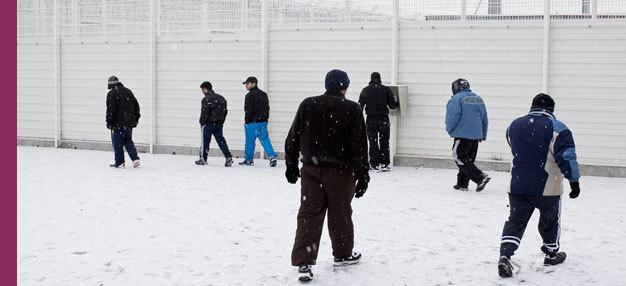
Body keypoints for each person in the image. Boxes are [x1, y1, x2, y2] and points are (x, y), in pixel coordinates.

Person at [284, 69, 369, 282]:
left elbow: (293, 135)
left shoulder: (308, 104)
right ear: (345, 86)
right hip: (340, 172)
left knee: (309, 214)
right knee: (340, 213)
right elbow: (359, 145)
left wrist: (291, 163)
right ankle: (342, 255)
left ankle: (304, 262)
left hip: (311, 170)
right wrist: (363, 174)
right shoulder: (352, 109)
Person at [498, 93, 581, 278]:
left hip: (517, 185)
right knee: (549, 221)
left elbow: (514, 148)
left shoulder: (514, 125)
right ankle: (551, 254)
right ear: (551, 109)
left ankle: (505, 254)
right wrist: (573, 181)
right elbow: (567, 156)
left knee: (515, 221)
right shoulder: (558, 128)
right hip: (547, 186)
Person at [445, 78, 490, 192]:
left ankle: (480, 177)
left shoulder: (456, 99)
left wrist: (449, 129)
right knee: (468, 160)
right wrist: (482, 134)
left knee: (459, 157)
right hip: (476, 136)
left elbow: (452, 117)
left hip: (462, 134)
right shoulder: (478, 98)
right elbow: (484, 118)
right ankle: (462, 183)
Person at [358, 72, 398, 171]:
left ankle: (374, 164)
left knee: (373, 141)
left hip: (371, 119)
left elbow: (360, 107)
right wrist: (397, 103)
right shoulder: (386, 90)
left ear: (371, 78)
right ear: (380, 78)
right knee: (384, 140)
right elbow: (392, 106)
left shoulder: (365, 90)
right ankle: (385, 164)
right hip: (384, 119)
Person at [239, 76, 278, 167]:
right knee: (265, 139)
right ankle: (272, 156)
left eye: (248, 84)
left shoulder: (249, 96)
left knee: (250, 141)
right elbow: (267, 108)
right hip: (263, 122)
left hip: (252, 122)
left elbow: (248, 110)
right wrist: (265, 118)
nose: (246, 85)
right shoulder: (263, 94)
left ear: (254, 83)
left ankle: (249, 159)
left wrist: (247, 121)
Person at [195, 81, 233, 167]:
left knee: (205, 142)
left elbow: (205, 113)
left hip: (208, 124)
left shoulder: (206, 99)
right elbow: (225, 112)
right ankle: (228, 157)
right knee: (221, 141)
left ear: (205, 89)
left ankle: (203, 159)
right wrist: (221, 121)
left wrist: (202, 122)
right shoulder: (221, 98)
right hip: (218, 124)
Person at [106, 76, 141, 168]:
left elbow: (111, 110)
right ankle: (135, 158)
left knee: (117, 143)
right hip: (128, 123)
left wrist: (109, 122)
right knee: (128, 140)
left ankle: (120, 161)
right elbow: (136, 106)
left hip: (116, 124)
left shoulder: (111, 94)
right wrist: (135, 119)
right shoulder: (128, 92)